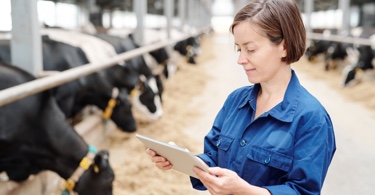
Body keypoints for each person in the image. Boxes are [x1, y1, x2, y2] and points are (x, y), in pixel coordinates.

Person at [146, 0, 336, 194]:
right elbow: (213, 158)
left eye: (251, 49)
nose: (240, 60)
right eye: (239, 49)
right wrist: (184, 161)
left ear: (284, 47)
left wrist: (245, 190)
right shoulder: (236, 101)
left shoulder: (312, 119)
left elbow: (303, 191)